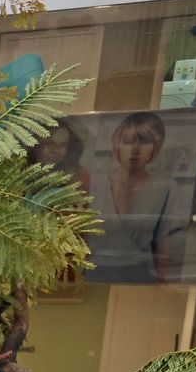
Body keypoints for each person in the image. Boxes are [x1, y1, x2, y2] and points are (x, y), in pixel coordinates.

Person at [88, 111, 177, 283]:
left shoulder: (164, 187)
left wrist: (163, 284)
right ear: (118, 145)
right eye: (128, 142)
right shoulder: (95, 182)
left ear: (155, 146)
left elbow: (163, 242)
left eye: (145, 142)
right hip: (94, 275)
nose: (135, 150)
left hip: (140, 277)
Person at [28, 118, 91, 192]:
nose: (56, 150)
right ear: (36, 145)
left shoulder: (78, 175)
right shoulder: (21, 172)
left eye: (63, 145)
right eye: (50, 144)